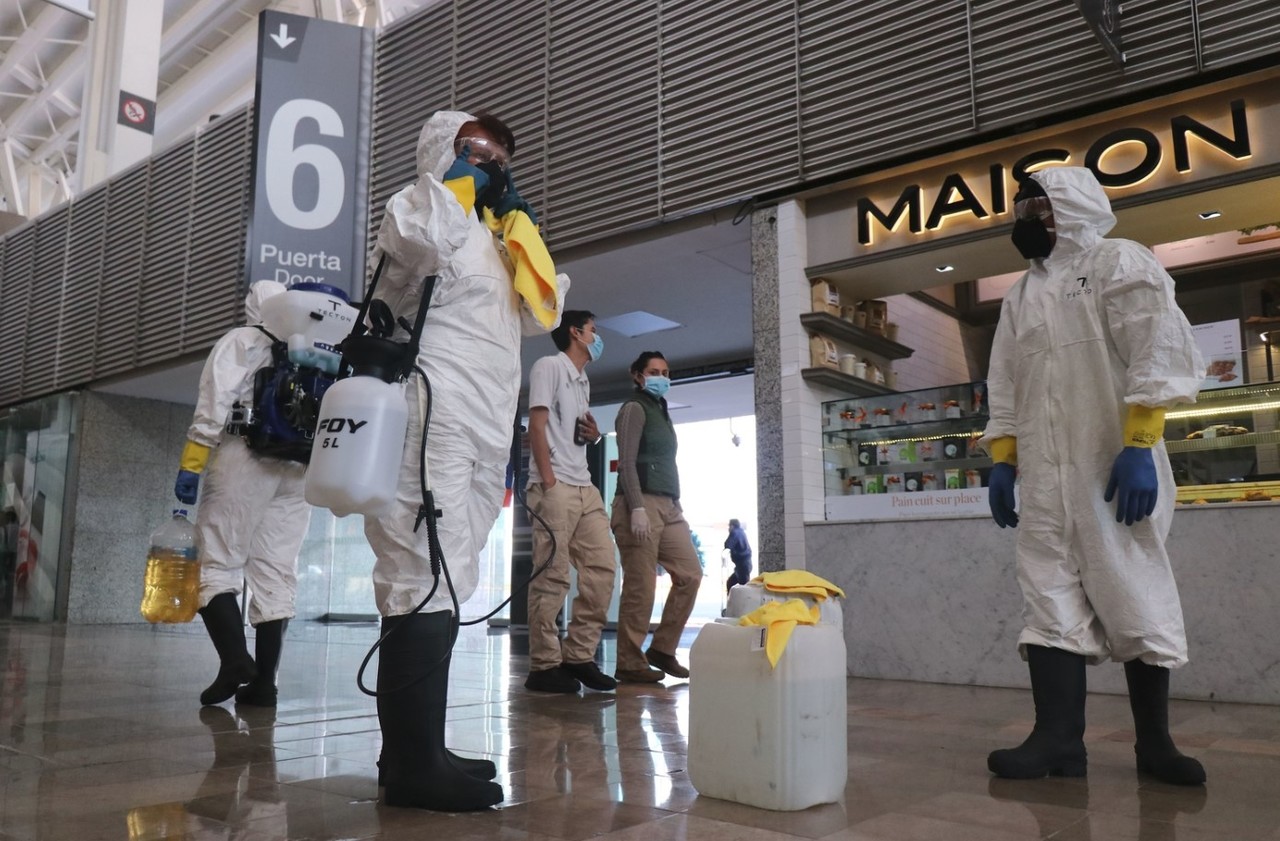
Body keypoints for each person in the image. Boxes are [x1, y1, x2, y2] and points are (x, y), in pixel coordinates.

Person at [363, 109, 568, 811]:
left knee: (452, 577)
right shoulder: (423, 207)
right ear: (444, 150)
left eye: (501, 159)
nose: (493, 167)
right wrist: (453, 181)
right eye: (477, 151)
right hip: (433, 416)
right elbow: (415, 244)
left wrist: (518, 223)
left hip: (484, 429)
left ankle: (417, 748)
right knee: (422, 574)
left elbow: (542, 312)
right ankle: (412, 767)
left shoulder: (491, 236)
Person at [980, 166, 1206, 786]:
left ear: (1071, 207)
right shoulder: (1021, 295)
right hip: (1043, 479)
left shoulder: (1119, 261)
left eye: (1038, 207)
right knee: (1047, 592)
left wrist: (1140, 443)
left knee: (1133, 586)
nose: (1026, 219)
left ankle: (1155, 745)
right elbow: (1005, 381)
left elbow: (1158, 349)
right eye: (1021, 209)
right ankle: (1057, 741)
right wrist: (1004, 457)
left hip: (1112, 464)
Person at [175, 281, 312, 710]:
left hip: (245, 456)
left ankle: (235, 660)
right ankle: (264, 684)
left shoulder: (243, 340)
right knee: (277, 570)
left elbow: (213, 404)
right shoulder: (308, 349)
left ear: (255, 305)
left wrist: (192, 464)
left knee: (214, 559)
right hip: (298, 467)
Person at [523, 310, 618, 694]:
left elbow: (571, 433)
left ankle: (578, 655)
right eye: (594, 330)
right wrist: (548, 481)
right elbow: (537, 425)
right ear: (576, 333)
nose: (598, 337)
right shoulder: (549, 366)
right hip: (555, 485)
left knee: (602, 568)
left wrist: (593, 436)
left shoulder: (583, 380)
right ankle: (544, 665)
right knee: (553, 575)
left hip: (584, 485)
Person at [610, 351, 702, 683]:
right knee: (641, 585)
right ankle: (629, 662)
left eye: (665, 372)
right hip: (639, 502)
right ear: (638, 376)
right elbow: (627, 461)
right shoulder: (634, 408)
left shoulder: (660, 410)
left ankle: (662, 649)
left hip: (669, 505)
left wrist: (674, 503)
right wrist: (636, 506)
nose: (661, 377)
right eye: (653, 371)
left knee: (690, 574)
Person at [723, 518, 752, 595]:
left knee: (741, 586)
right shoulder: (742, 532)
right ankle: (734, 600)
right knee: (732, 583)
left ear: (732, 526)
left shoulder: (735, 532)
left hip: (742, 565)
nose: (729, 528)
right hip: (745, 564)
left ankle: (737, 601)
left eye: (729, 526)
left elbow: (728, 544)